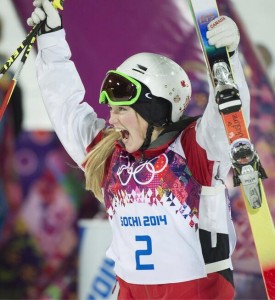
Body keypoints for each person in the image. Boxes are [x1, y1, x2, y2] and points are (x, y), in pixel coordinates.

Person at [27, 0, 250, 299]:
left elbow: (229, 119)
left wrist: (228, 58)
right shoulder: (109, 153)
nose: (111, 118)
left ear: (154, 110)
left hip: (196, 291)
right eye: (112, 109)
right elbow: (65, 105)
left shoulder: (194, 147)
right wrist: (51, 37)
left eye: (122, 109)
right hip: (129, 291)